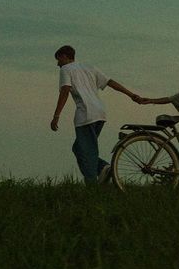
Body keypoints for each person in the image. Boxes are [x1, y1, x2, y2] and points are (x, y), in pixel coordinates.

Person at [51, 45, 140, 184]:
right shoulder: (89, 67)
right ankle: (103, 168)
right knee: (80, 148)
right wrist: (130, 94)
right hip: (100, 113)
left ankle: (92, 184)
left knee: (87, 152)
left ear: (64, 56)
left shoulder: (65, 69)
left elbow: (65, 90)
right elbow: (109, 82)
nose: (57, 64)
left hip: (85, 115)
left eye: (58, 60)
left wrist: (56, 116)